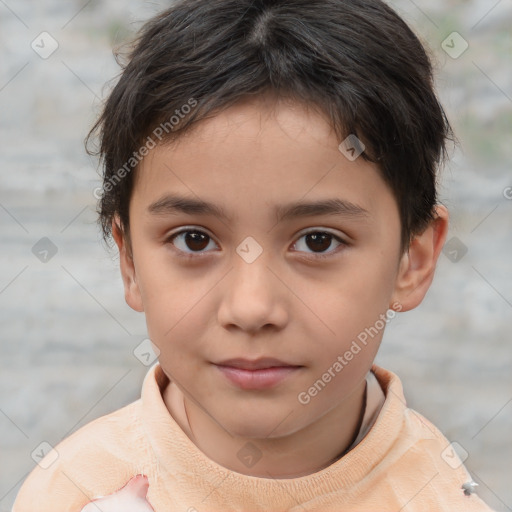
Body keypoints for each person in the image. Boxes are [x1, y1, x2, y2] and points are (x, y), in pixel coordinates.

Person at [12, 0, 494, 510]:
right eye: (194, 239)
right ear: (129, 260)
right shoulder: (72, 491)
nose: (251, 308)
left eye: (318, 241)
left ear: (412, 260)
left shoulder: (440, 499)